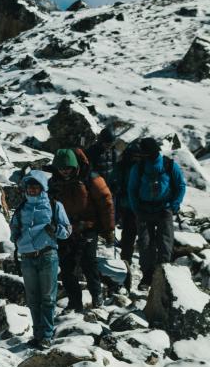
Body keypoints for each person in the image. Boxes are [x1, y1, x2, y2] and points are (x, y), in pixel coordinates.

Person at [10, 170, 72, 349]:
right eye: (29, 187)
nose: (32, 190)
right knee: (32, 299)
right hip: (27, 258)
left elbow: (67, 231)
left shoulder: (54, 206)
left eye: (36, 186)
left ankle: (46, 335)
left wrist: (55, 230)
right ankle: (38, 336)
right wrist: (18, 238)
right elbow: (13, 228)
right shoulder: (22, 208)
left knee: (47, 298)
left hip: (47, 255)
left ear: (43, 187)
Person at [49, 148, 115, 310]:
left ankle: (97, 296)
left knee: (88, 263)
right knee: (67, 268)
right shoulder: (53, 183)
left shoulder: (91, 179)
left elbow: (106, 204)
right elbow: (48, 206)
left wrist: (108, 230)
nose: (65, 172)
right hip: (66, 229)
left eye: (68, 168)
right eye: (61, 168)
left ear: (75, 166)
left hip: (88, 227)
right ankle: (75, 302)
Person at [127, 137, 186, 289]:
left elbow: (180, 185)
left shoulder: (169, 165)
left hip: (164, 209)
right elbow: (131, 189)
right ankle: (147, 276)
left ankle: (163, 274)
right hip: (144, 210)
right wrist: (136, 209)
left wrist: (174, 205)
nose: (143, 157)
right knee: (145, 244)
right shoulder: (138, 168)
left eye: (145, 154)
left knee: (165, 243)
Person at [110, 139, 143, 285]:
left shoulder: (122, 165)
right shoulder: (140, 166)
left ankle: (127, 263)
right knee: (132, 236)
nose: (136, 157)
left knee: (130, 236)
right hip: (133, 207)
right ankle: (127, 264)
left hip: (131, 206)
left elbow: (112, 181)